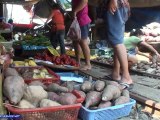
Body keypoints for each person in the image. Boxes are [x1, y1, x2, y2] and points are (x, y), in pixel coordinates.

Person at [103, 0, 133, 89]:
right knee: (116, 41)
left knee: (117, 42)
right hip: (120, 5)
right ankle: (116, 74)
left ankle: (126, 77)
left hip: (116, 4)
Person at [72, 0, 92, 70]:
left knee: (83, 42)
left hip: (82, 20)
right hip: (77, 20)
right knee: (76, 42)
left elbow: (84, 1)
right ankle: (78, 62)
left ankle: (88, 64)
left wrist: (75, 11)